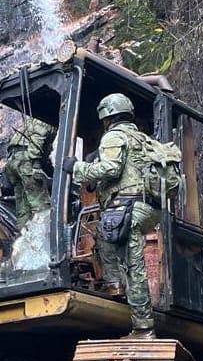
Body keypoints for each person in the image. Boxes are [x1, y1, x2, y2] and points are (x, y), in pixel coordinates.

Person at [61, 93, 160, 338]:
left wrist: (77, 168)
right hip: (145, 208)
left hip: (127, 208)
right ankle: (115, 285)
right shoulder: (141, 138)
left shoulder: (114, 136)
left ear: (107, 118)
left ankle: (144, 328)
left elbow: (112, 168)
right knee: (103, 238)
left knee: (134, 265)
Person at [3, 117, 54, 231]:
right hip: (26, 162)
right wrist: (36, 165)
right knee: (42, 207)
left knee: (23, 210)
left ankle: (22, 238)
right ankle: (44, 239)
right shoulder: (45, 118)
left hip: (13, 162)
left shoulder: (31, 119)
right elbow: (37, 139)